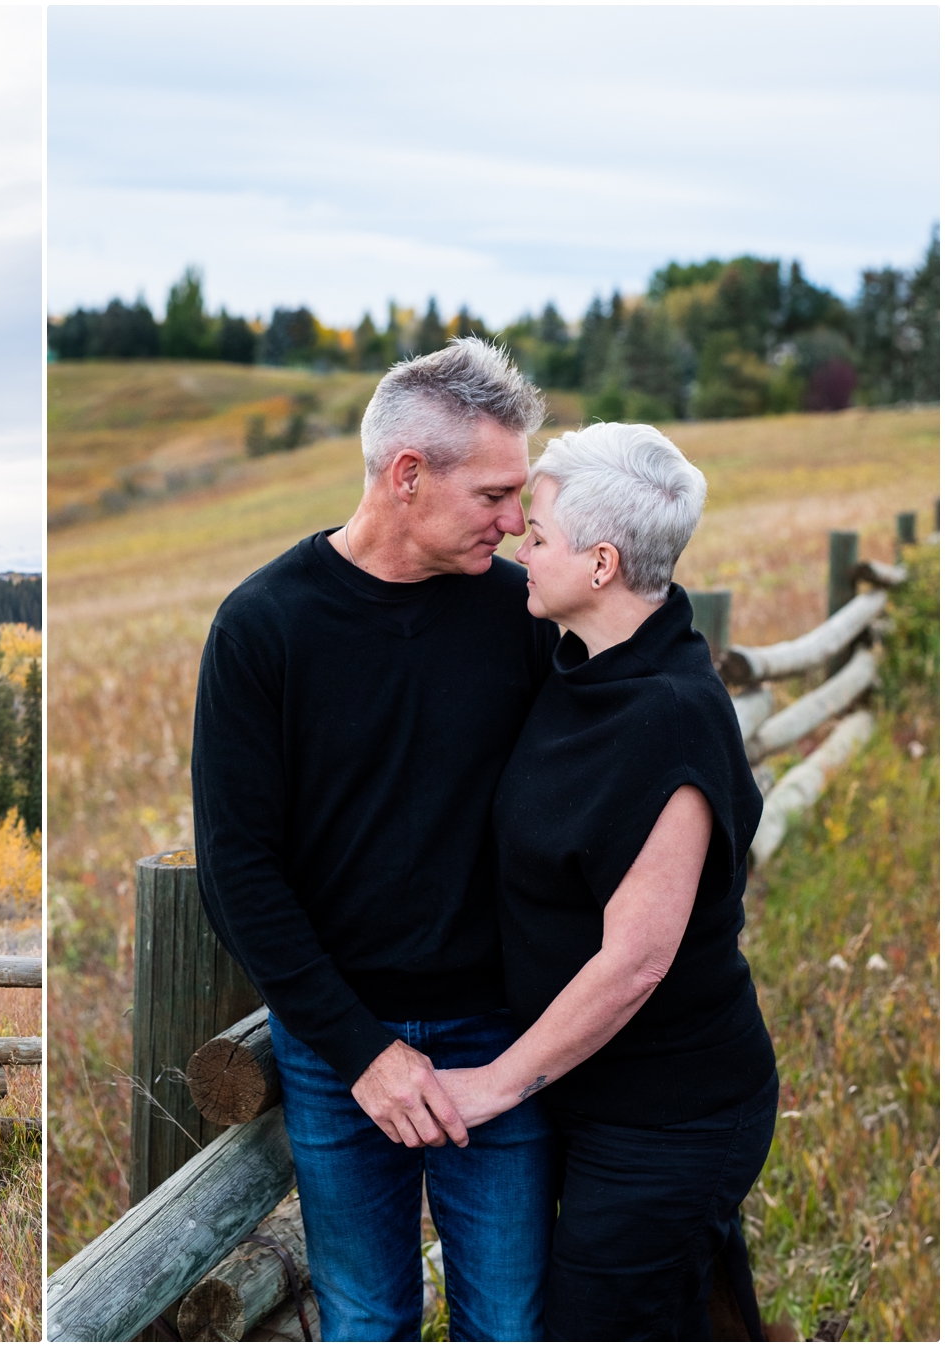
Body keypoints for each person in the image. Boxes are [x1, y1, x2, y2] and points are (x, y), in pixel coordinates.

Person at [191, 337, 559, 1340]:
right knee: (366, 1322)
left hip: (503, 1033)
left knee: (513, 1323)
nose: (515, 520)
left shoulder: (522, 614)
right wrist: (361, 1052)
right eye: (493, 493)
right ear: (406, 476)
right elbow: (239, 874)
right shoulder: (263, 628)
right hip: (336, 1045)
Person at [438, 422, 777, 1340]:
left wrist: (493, 1085)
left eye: (538, 531)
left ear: (600, 563)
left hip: (671, 1118)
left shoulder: (670, 715)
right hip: (594, 1103)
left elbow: (635, 961)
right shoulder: (582, 664)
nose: (518, 539)